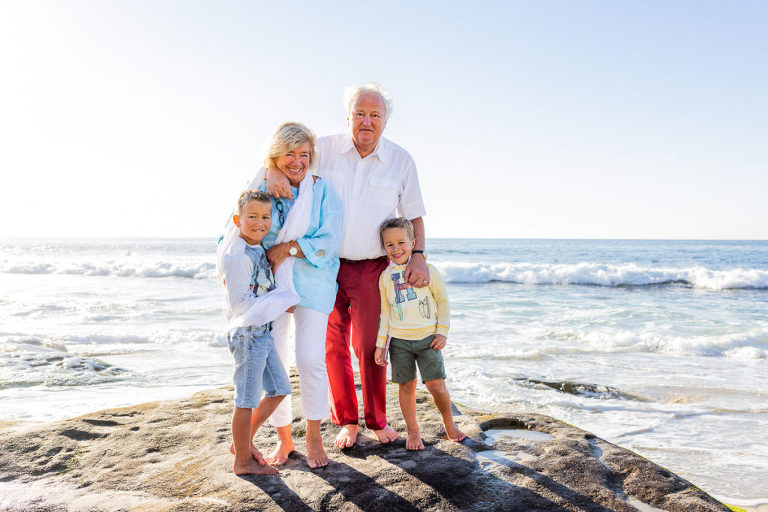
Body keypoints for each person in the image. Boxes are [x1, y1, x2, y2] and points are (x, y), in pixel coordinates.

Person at [268, 83, 430, 448]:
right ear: (348, 117)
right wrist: (273, 171)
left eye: (375, 115)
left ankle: (376, 420)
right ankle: (348, 422)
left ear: (386, 121)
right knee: (332, 347)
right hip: (322, 267)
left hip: (372, 267)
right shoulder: (323, 148)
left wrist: (418, 255)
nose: (366, 122)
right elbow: (288, 156)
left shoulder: (401, 161)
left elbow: (415, 216)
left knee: (371, 345)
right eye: (359, 114)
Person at [242, 122, 342, 469]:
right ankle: (285, 439)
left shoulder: (322, 191)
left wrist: (290, 248)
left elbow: (329, 241)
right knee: (276, 363)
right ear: (275, 156)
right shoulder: (263, 183)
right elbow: (239, 224)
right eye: (289, 155)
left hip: (313, 282)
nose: (298, 161)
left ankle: (314, 437)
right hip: (269, 284)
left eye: (304, 154)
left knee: (311, 359)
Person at [219, 189, 294, 475]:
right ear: (238, 220)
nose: (260, 223)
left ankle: (242, 443)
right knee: (246, 400)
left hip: (262, 333)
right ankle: (243, 462)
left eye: (265, 217)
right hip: (247, 335)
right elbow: (240, 305)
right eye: (252, 217)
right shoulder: (238, 255)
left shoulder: (255, 247)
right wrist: (279, 302)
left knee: (280, 389)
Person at [374, 217, 465, 450]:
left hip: (428, 340)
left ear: (414, 243)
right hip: (400, 343)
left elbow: (443, 302)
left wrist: (442, 332)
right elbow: (385, 313)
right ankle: (413, 433)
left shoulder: (428, 271)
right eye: (389, 244)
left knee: (436, 386)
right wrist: (381, 344)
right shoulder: (385, 277)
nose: (396, 249)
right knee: (406, 387)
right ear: (383, 247)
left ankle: (449, 424)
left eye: (401, 243)